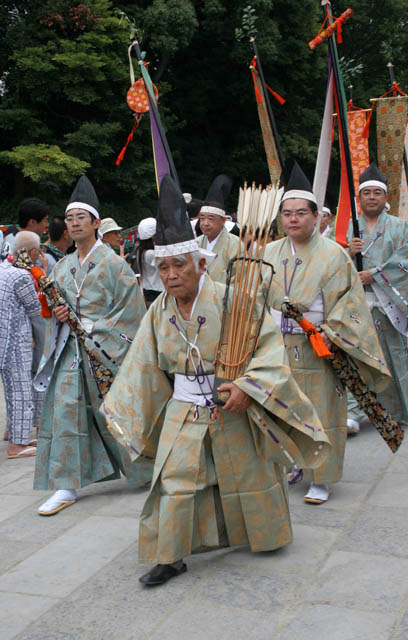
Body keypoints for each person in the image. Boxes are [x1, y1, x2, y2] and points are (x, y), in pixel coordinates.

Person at [102, 175, 331, 586]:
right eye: (163, 267)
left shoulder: (234, 299)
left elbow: (269, 349)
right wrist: (122, 409)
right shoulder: (159, 311)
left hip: (232, 401)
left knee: (248, 473)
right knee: (174, 481)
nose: (171, 275)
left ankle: (265, 533)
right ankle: (171, 555)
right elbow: (143, 364)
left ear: (202, 264)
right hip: (185, 407)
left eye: (179, 265)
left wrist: (247, 386)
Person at [264, 162, 390, 504]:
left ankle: (321, 478)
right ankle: (293, 463)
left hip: (319, 345)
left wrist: (328, 333)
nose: (293, 219)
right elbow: (257, 298)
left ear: (316, 216)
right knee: (284, 410)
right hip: (278, 345)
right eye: (287, 213)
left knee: (321, 413)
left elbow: (350, 306)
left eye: (300, 213)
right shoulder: (270, 252)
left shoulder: (334, 255)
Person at [33, 176, 149, 516]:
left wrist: (93, 330)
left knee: (112, 413)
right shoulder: (64, 265)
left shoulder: (114, 264)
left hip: (105, 351)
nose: (74, 224)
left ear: (96, 223)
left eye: (80, 218)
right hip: (71, 351)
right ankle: (66, 483)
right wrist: (58, 314)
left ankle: (145, 467)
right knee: (65, 410)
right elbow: (56, 308)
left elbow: (131, 312)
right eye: (69, 219)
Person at [347, 163, 408, 433]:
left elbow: (406, 263)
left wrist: (375, 274)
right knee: (355, 357)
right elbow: (333, 263)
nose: (372, 197)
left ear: (385, 197)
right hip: (357, 304)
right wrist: (349, 253)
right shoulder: (350, 228)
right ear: (359, 198)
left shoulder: (399, 227)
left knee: (391, 358)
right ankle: (353, 411)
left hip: (388, 304)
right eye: (367, 193)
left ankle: (392, 411)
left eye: (377, 193)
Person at [1, 232, 47, 458]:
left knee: (12, 391)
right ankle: (17, 445)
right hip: (15, 342)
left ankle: (16, 435)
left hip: (6, 341)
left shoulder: (4, 270)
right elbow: (36, 310)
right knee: (20, 392)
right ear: (33, 252)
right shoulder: (21, 276)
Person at [197, 175, 239, 284]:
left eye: (211, 219)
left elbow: (239, 281)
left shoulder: (236, 245)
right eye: (202, 218)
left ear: (223, 220)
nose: (205, 223)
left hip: (224, 294)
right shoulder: (196, 243)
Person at [135, 217, 164, 307]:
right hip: (157, 290)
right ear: (153, 236)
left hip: (148, 290)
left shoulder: (140, 251)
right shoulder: (151, 253)